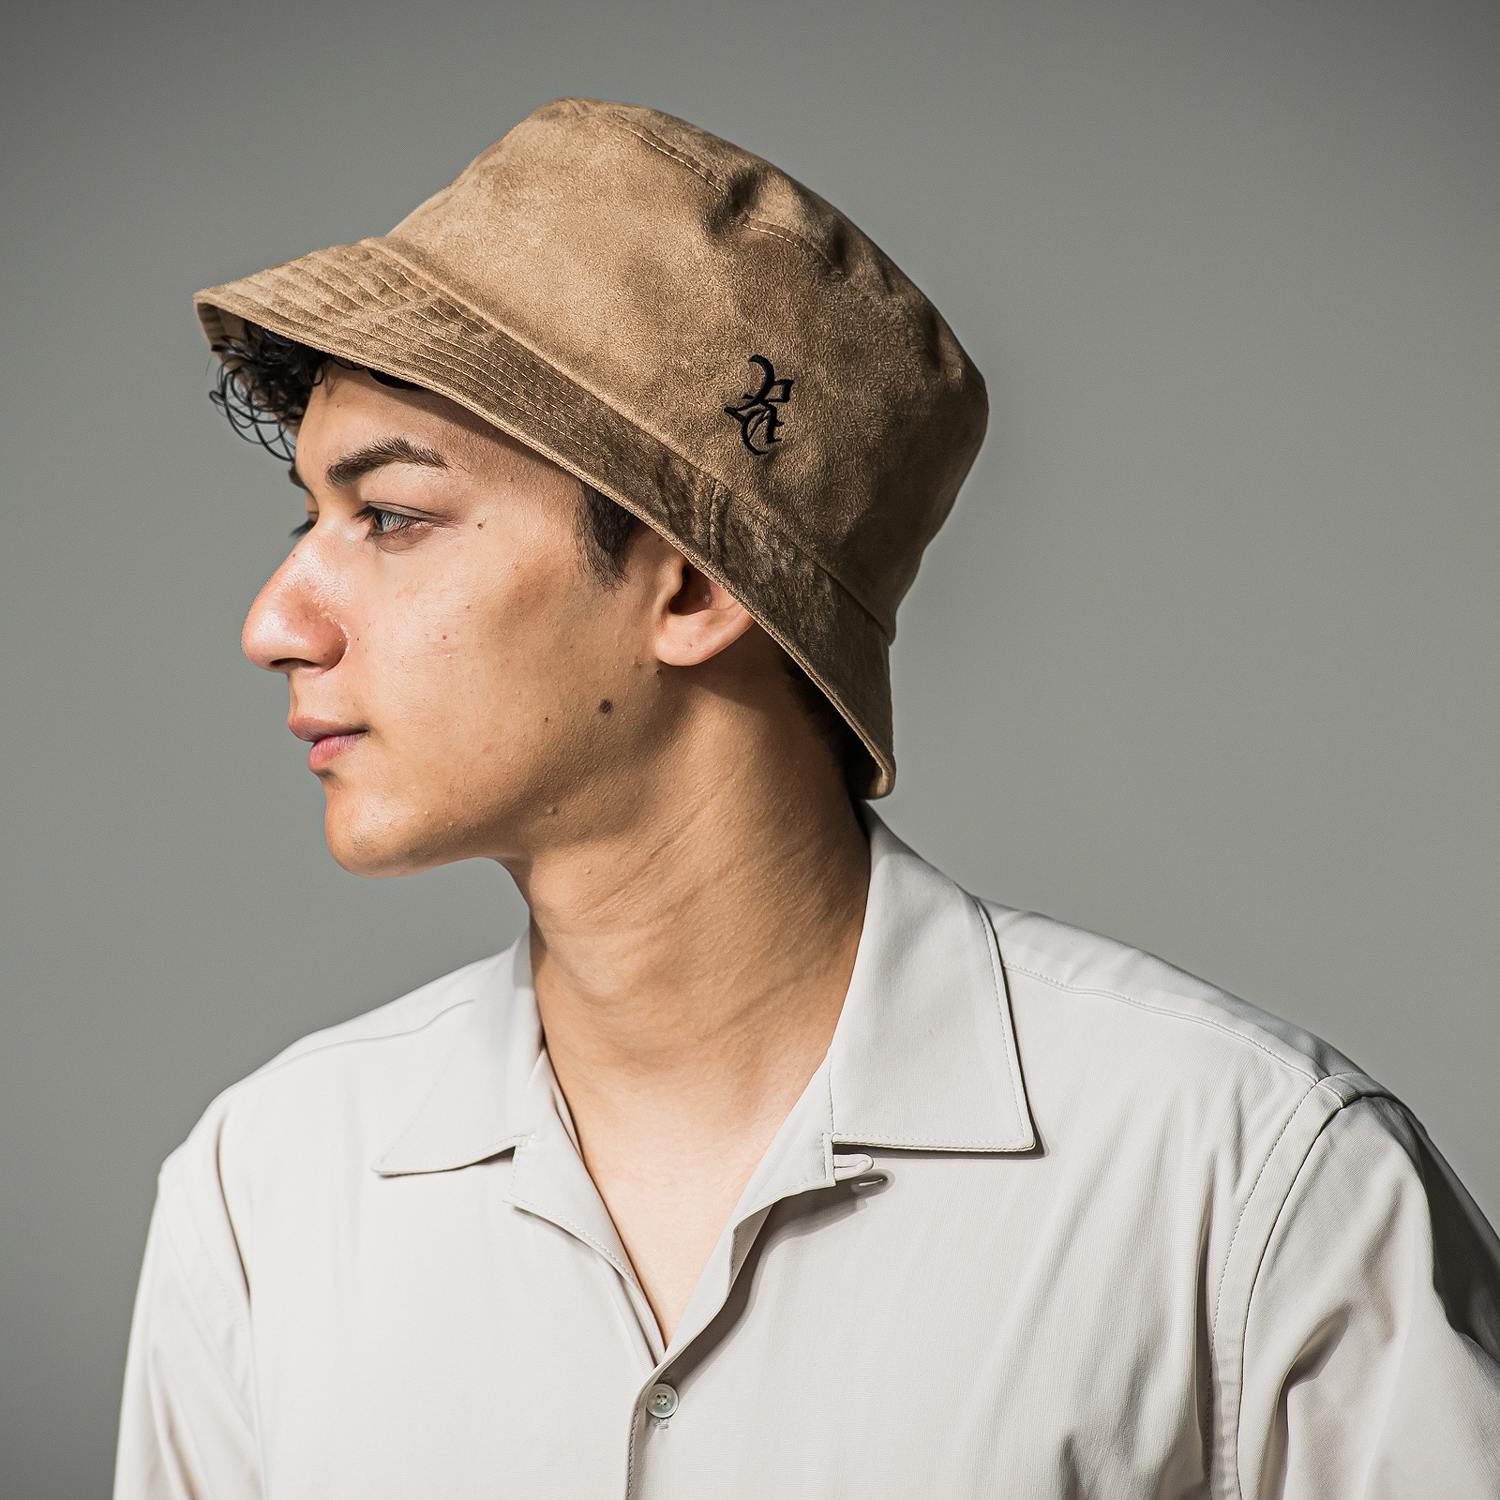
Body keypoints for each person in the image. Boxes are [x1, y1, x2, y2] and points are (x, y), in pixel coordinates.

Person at [113, 96, 1500, 1498]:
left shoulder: (1253, 1183)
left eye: (393, 517)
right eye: (309, 517)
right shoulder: (268, 1188)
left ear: (692, 583)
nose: (276, 622)